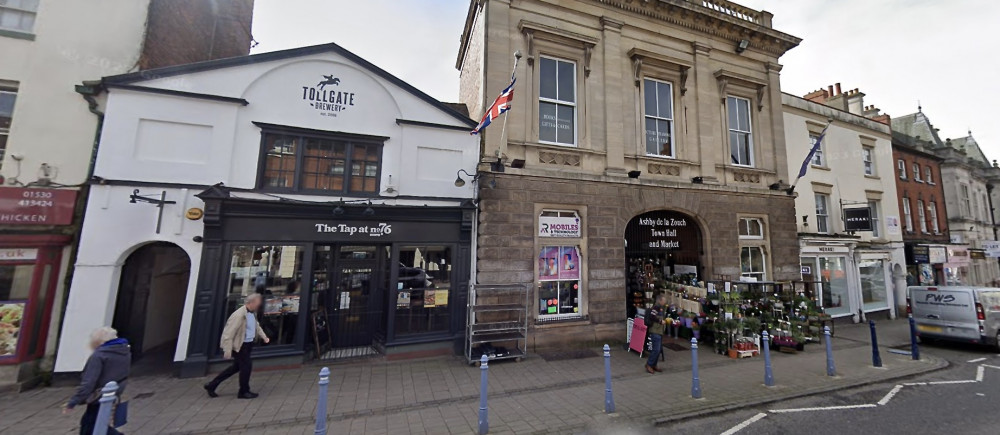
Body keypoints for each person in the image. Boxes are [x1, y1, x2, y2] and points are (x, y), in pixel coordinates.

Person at [63, 327, 131, 435]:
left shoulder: (99, 355)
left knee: (90, 426)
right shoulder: (124, 351)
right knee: (94, 423)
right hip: (115, 392)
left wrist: (73, 401)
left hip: (99, 395)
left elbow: (88, 382)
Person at [204, 294, 270, 399]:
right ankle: (243, 391)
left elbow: (256, 326)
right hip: (240, 345)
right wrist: (227, 350)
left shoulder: (252, 313)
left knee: (236, 367)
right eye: (257, 303)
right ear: (251, 303)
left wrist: (264, 337)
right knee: (246, 367)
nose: (259, 305)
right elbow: (228, 333)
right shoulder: (238, 315)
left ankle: (212, 385)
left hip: (248, 344)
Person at [645, 294, 667, 374]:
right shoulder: (656, 308)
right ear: (660, 300)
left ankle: (654, 364)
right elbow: (652, 317)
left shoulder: (661, 308)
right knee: (656, 349)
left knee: (658, 349)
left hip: (659, 331)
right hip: (655, 331)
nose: (665, 302)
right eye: (664, 300)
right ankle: (649, 364)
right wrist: (660, 321)